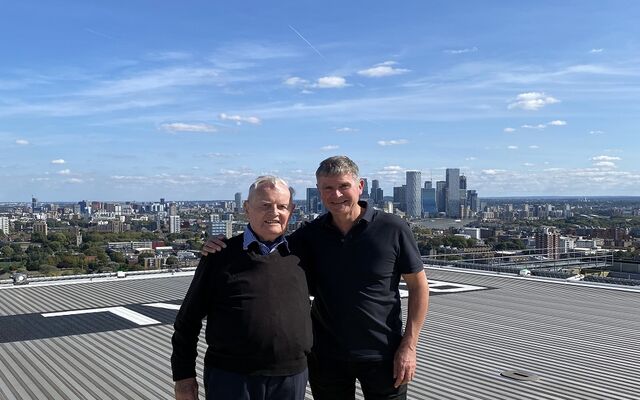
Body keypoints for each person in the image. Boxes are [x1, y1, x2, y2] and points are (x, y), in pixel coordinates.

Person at [203, 156, 429, 400]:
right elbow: (268, 245)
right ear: (319, 192)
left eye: (344, 186)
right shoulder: (309, 235)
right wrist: (222, 246)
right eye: (327, 188)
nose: (336, 194)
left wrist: (409, 345)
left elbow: (419, 287)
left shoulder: (393, 228)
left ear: (360, 186)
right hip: (326, 357)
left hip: (384, 354)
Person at [171, 176, 312, 400]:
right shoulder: (220, 255)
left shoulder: (302, 252)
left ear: (292, 210)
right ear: (247, 208)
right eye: (265, 205)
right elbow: (187, 321)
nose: (274, 212)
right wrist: (183, 377)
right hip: (231, 378)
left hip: (291, 376)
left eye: (282, 206)